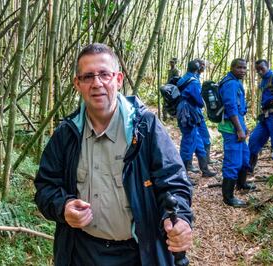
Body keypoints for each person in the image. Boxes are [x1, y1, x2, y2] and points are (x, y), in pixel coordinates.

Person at [34, 43, 193, 266]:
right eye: (88, 76)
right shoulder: (66, 134)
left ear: (118, 79)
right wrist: (64, 207)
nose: (97, 83)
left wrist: (180, 219)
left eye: (104, 75)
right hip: (81, 252)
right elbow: (45, 187)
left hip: (139, 252)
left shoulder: (144, 127)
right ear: (77, 84)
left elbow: (174, 181)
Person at [218, 58, 252, 207]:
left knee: (245, 156)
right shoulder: (230, 83)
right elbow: (231, 108)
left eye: (245, 68)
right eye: (239, 68)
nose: (242, 71)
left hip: (238, 124)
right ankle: (228, 197)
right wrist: (239, 129)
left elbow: (238, 109)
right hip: (231, 128)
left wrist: (243, 127)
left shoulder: (235, 81)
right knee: (233, 161)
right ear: (232, 68)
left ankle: (241, 184)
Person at [176, 59, 216, 177]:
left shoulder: (184, 78)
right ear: (198, 69)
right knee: (188, 142)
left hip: (186, 111)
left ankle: (205, 169)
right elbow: (198, 101)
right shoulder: (193, 82)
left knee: (197, 140)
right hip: (188, 112)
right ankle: (183, 176)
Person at [196, 59, 214, 164]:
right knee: (196, 139)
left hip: (198, 113)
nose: (203, 66)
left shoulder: (197, 78)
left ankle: (206, 160)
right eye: (201, 65)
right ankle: (201, 163)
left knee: (205, 137)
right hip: (194, 114)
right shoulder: (193, 79)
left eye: (204, 65)